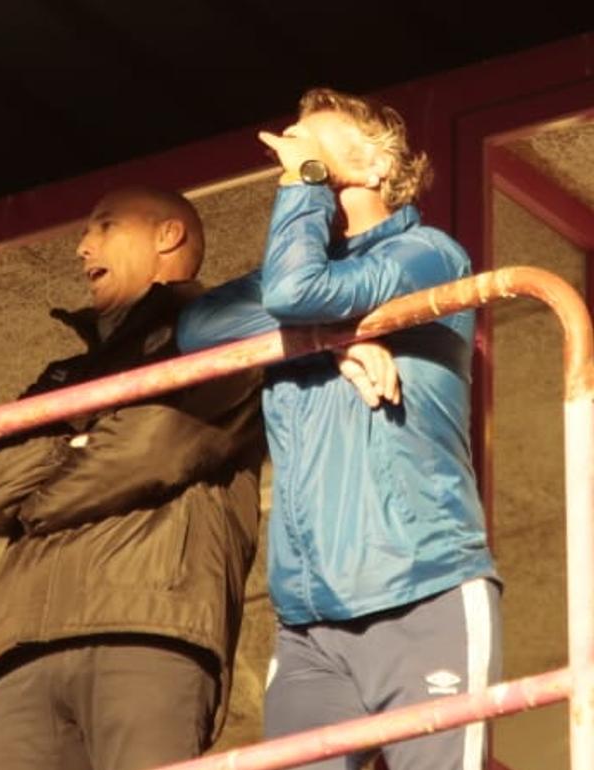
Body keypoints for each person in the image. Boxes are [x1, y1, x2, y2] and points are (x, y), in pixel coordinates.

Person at [178, 87, 500, 770]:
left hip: (424, 589)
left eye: (311, 142)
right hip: (311, 621)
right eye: (290, 148)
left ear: (376, 165)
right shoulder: (291, 275)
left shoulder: (428, 254)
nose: (292, 154)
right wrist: (338, 339)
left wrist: (304, 189)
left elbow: (297, 295)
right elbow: (197, 330)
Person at [0, 186, 268, 770]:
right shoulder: (64, 371)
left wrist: (36, 498)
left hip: (149, 629)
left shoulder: (223, 331)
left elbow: (156, 446)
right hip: (23, 648)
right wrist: (85, 440)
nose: (81, 246)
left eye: (106, 226)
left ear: (168, 236)